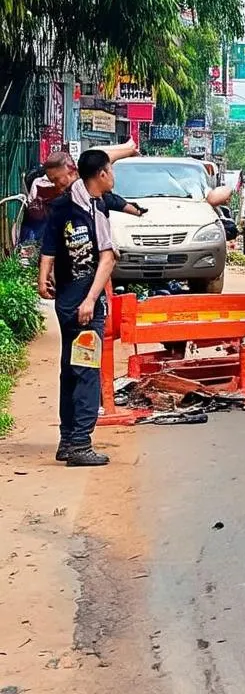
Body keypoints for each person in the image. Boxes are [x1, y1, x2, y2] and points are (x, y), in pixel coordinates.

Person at [38, 150, 118, 467]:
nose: (113, 175)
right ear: (100, 174)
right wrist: (90, 300)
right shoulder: (91, 209)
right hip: (81, 306)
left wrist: (43, 278)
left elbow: (49, 250)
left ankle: (68, 440)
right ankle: (80, 445)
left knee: (71, 370)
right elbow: (108, 259)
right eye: (110, 170)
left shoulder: (85, 204)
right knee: (85, 372)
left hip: (68, 303)